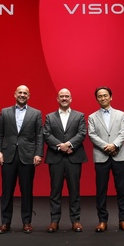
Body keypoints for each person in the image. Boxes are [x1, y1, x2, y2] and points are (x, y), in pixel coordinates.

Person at [0, 85, 43, 234]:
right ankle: (5, 222)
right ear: (15, 94)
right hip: (8, 156)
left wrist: (38, 154)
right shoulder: (5, 112)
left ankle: (27, 222)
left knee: (27, 191)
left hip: (27, 156)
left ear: (29, 96)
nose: (22, 95)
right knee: (7, 191)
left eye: (25, 93)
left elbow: (39, 135)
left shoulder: (36, 113)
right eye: (20, 92)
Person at [87, 86, 124, 233]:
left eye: (105, 95)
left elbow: (123, 131)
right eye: (100, 96)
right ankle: (102, 220)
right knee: (101, 190)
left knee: (121, 188)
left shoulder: (120, 114)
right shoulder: (92, 117)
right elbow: (92, 134)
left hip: (119, 155)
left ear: (111, 97)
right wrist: (106, 146)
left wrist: (114, 145)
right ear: (97, 99)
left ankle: (123, 220)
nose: (103, 98)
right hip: (101, 156)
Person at [43, 88, 88, 233]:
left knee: (74, 190)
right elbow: (46, 134)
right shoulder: (50, 117)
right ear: (57, 99)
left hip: (73, 157)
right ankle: (54, 221)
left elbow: (82, 133)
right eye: (61, 96)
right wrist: (60, 147)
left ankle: (76, 221)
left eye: (66, 96)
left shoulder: (79, 116)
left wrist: (68, 145)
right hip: (55, 158)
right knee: (55, 191)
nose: (64, 98)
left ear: (71, 99)